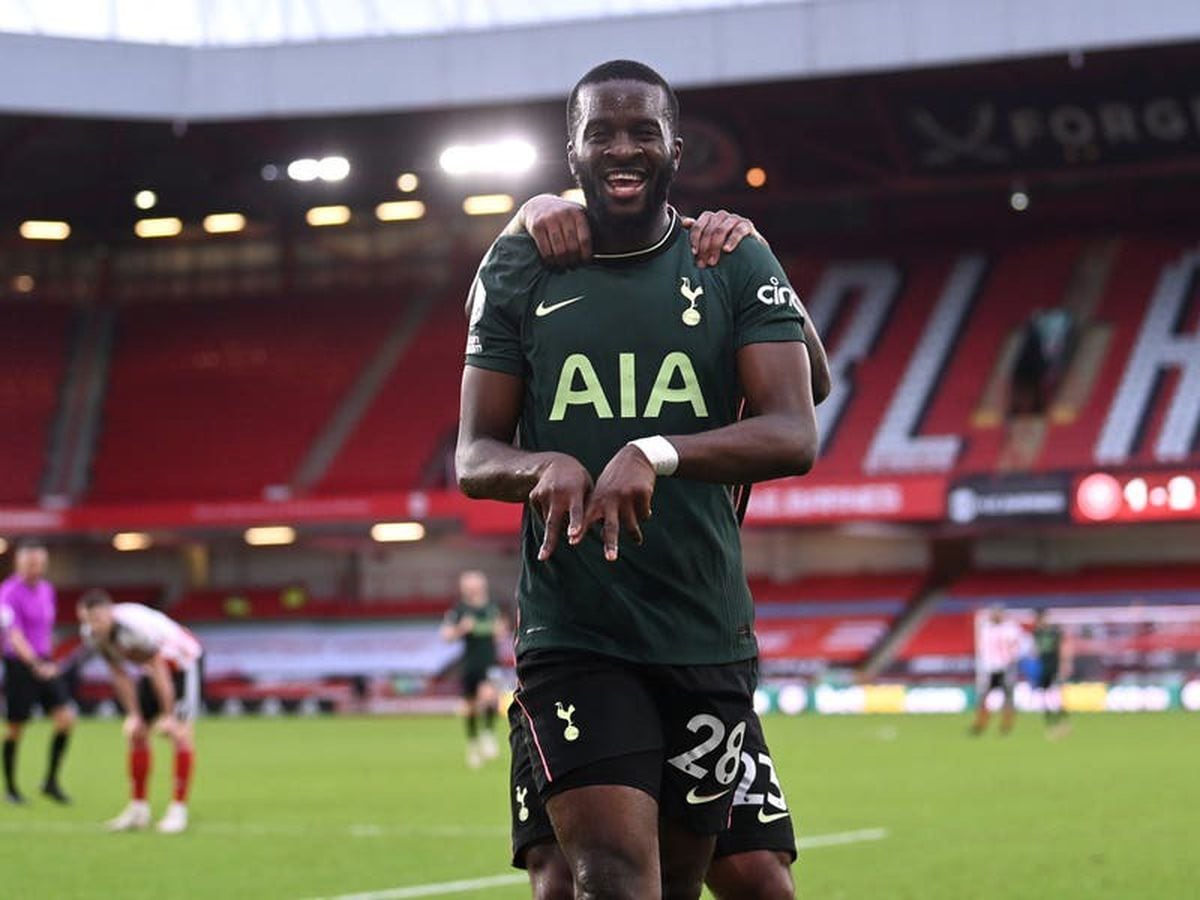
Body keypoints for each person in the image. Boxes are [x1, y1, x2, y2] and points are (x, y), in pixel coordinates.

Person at [457, 58, 819, 899]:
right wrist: (541, 462)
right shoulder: (521, 263)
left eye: (642, 132)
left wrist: (657, 452)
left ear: (676, 150)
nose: (623, 148)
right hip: (575, 627)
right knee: (608, 877)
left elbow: (798, 426)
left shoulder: (728, 254)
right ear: (571, 150)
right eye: (602, 132)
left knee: (723, 880)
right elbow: (474, 453)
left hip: (703, 629)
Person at [76, 589, 203, 834]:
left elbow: (159, 667)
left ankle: (178, 810)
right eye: (88, 620)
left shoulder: (133, 629)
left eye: (98, 619)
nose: (94, 625)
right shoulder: (91, 635)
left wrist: (168, 715)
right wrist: (133, 714)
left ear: (110, 614)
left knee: (180, 734)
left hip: (183, 663)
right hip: (152, 670)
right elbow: (119, 674)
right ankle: (138, 810)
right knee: (137, 733)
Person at [0, 539, 74, 805]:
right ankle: (10, 788)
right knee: (16, 727)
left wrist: (49, 660)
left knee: (65, 719)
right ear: (19, 563)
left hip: (44, 661)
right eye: (31, 563)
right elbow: (14, 635)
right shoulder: (8, 592)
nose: (36, 568)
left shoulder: (46, 590)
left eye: (40, 563)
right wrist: (35, 665)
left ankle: (50, 781)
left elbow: (45, 629)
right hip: (21, 664)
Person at [440, 570, 506, 768]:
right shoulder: (459, 610)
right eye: (467, 585)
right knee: (470, 706)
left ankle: (487, 733)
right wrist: (461, 628)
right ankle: (473, 743)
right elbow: (445, 635)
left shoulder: (492, 607)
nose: (471, 588)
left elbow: (501, 632)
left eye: (474, 584)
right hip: (470, 663)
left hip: (490, 662)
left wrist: (499, 630)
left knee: (489, 697)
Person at [971, 606, 1023, 736]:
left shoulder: (1010, 628)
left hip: (1006, 667)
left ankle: (1006, 726)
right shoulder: (986, 628)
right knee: (983, 697)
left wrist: (1010, 658)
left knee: (1008, 698)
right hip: (989, 668)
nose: (996, 616)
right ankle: (981, 724)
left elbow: (1016, 646)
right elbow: (982, 647)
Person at [1032, 608, 1071, 737]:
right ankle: (1050, 723)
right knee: (1044, 695)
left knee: (1057, 695)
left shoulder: (1055, 632)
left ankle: (1063, 722)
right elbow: (1036, 651)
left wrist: (1064, 664)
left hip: (1054, 666)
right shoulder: (1037, 633)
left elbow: (1062, 649)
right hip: (1043, 668)